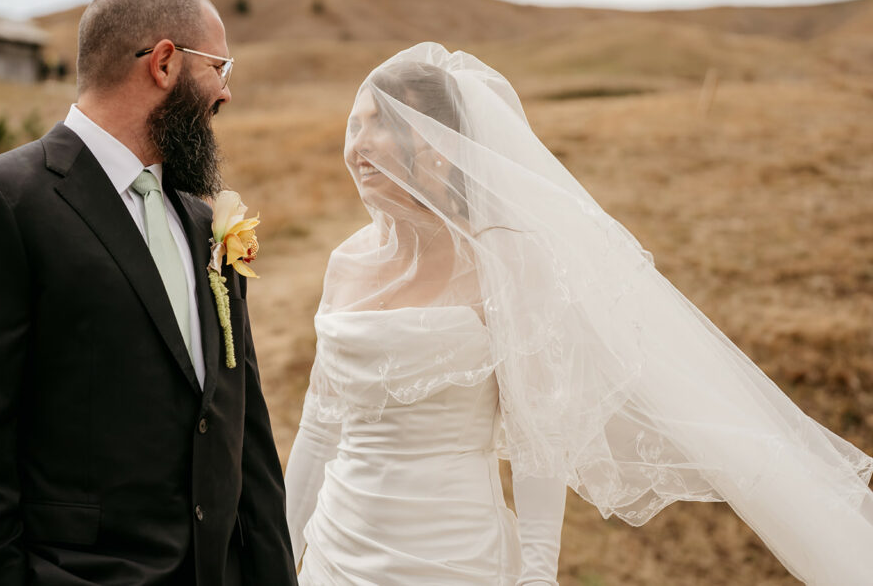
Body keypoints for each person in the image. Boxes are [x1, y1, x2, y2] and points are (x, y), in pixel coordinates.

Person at [284, 42, 873, 585]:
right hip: (337, 552)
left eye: (380, 123)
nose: (355, 146)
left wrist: (537, 572)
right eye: (353, 124)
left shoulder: (506, 260)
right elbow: (318, 426)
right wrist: (279, 551)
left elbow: (539, 441)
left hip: (453, 556)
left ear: (438, 142)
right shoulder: (345, 263)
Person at [0, 0, 297, 585]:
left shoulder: (204, 223)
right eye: (220, 68)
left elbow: (246, 443)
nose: (226, 92)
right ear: (165, 63)